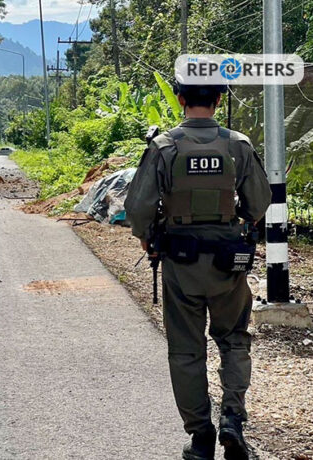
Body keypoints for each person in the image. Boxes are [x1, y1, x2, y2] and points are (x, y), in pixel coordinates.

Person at [124, 83, 271, 460]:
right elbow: (258, 203)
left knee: (186, 351)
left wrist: (146, 237)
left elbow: (138, 208)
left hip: (181, 263)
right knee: (233, 339)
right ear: (219, 100)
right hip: (228, 264)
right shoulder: (238, 145)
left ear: (180, 99)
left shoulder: (163, 147)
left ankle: (201, 436)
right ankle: (232, 420)